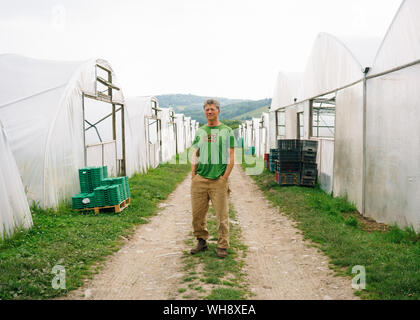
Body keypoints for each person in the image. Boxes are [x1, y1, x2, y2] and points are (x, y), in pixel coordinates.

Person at [190, 99, 235, 258]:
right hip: (200, 179)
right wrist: (194, 174)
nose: (209, 112)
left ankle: (222, 245)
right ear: (204, 112)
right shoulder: (200, 131)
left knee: (222, 216)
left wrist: (225, 177)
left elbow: (231, 156)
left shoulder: (226, 130)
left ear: (218, 111)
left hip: (218, 180)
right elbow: (195, 153)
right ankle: (201, 241)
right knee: (197, 214)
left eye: (212, 109)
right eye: (207, 109)